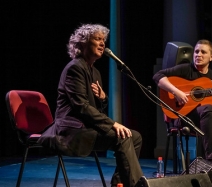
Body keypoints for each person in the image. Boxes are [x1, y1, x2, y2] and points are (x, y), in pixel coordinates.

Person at [38, 23, 143, 187]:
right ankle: (135, 185)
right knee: (121, 138)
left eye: (103, 40)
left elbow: (95, 110)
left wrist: (102, 99)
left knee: (134, 136)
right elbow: (81, 107)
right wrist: (113, 123)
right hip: (72, 131)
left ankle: (119, 183)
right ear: (83, 43)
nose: (103, 43)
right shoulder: (75, 68)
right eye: (97, 39)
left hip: (87, 128)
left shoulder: (95, 72)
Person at [153, 39, 212, 186]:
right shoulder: (185, 69)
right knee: (207, 108)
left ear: (211, 57)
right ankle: (211, 162)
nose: (198, 55)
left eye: (203, 52)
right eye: (196, 51)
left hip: (208, 120)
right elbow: (158, 76)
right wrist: (176, 92)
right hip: (185, 119)